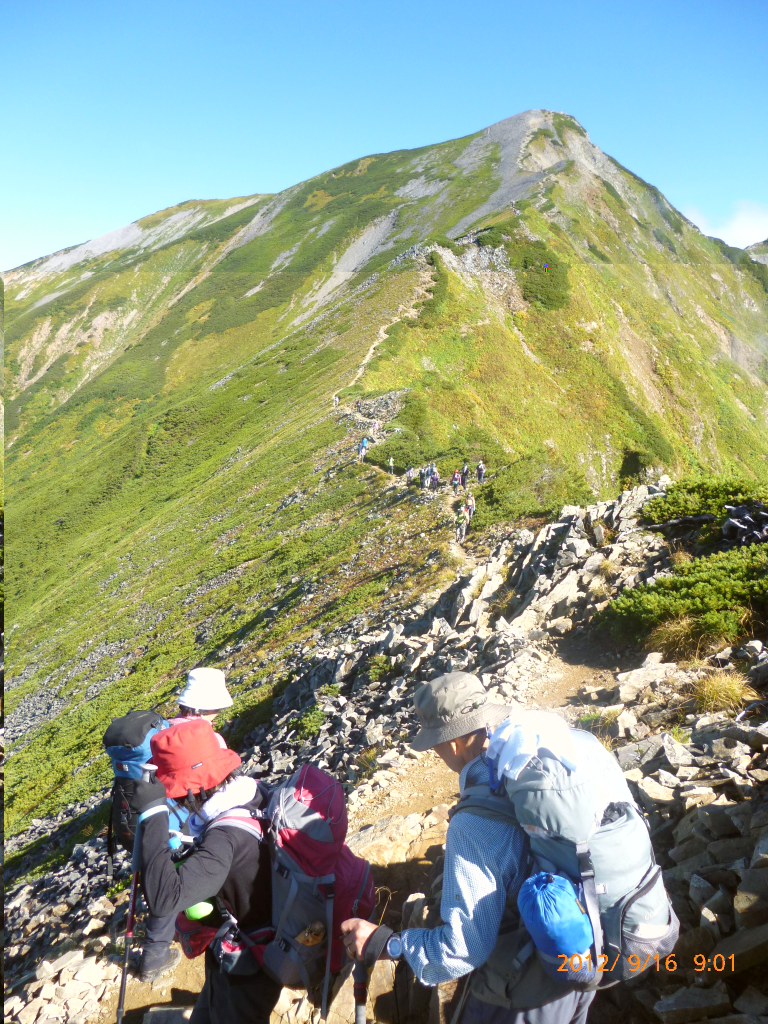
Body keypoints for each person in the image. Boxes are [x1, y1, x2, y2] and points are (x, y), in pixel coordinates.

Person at [340, 674, 595, 1024]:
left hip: (522, 990)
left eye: (436, 743)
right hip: (582, 956)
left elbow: (464, 948)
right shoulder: (536, 757)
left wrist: (388, 944)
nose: (436, 752)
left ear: (456, 741)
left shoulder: (473, 823)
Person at [130, 719, 280, 1024]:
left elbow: (163, 899)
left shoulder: (224, 838)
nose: (173, 799)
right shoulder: (253, 793)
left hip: (250, 964)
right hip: (242, 943)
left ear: (189, 788)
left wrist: (154, 814)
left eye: (171, 790)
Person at [140, 667, 234, 981]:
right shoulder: (208, 738)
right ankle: (211, 931)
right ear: (207, 707)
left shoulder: (163, 732)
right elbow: (216, 786)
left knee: (162, 878)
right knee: (195, 878)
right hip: (189, 825)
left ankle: (154, 954)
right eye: (215, 711)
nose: (217, 717)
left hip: (156, 822)